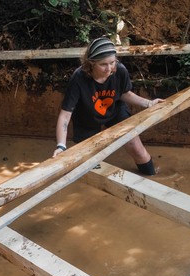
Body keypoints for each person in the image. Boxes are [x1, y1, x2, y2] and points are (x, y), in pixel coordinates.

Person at [53, 37, 161, 175]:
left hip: (115, 110)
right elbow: (65, 115)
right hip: (87, 117)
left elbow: (124, 93)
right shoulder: (78, 78)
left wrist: (148, 103)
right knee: (91, 165)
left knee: (136, 148)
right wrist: (61, 146)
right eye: (103, 64)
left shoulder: (119, 70)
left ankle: (151, 176)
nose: (109, 69)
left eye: (112, 62)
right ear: (91, 63)